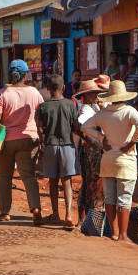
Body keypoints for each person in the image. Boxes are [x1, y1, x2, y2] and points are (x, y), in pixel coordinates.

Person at [83, 80, 138, 243]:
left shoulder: (103, 114)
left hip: (108, 159)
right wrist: (132, 142)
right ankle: (123, 236)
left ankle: (114, 233)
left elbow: (85, 126)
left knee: (110, 198)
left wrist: (101, 138)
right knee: (124, 198)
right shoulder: (129, 111)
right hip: (125, 161)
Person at [0, 60, 44, 224]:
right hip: (27, 139)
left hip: (5, 141)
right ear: (25, 74)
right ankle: (35, 208)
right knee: (28, 176)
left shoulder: (2, 94)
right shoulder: (34, 92)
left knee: (5, 176)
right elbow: (41, 114)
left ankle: (5, 212)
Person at [36, 74, 79, 228]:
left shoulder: (43, 107)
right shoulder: (70, 105)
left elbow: (39, 128)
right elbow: (76, 127)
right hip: (67, 146)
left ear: (48, 89)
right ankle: (68, 214)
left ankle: (55, 214)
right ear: (63, 88)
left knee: (53, 182)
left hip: (50, 146)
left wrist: (41, 142)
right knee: (67, 181)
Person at [74, 80, 105, 230]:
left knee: (89, 183)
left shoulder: (92, 108)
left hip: (90, 149)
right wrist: (90, 140)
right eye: (93, 93)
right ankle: (89, 222)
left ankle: (84, 220)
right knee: (94, 184)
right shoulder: (86, 109)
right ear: (85, 96)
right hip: (91, 151)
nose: (96, 95)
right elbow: (78, 126)